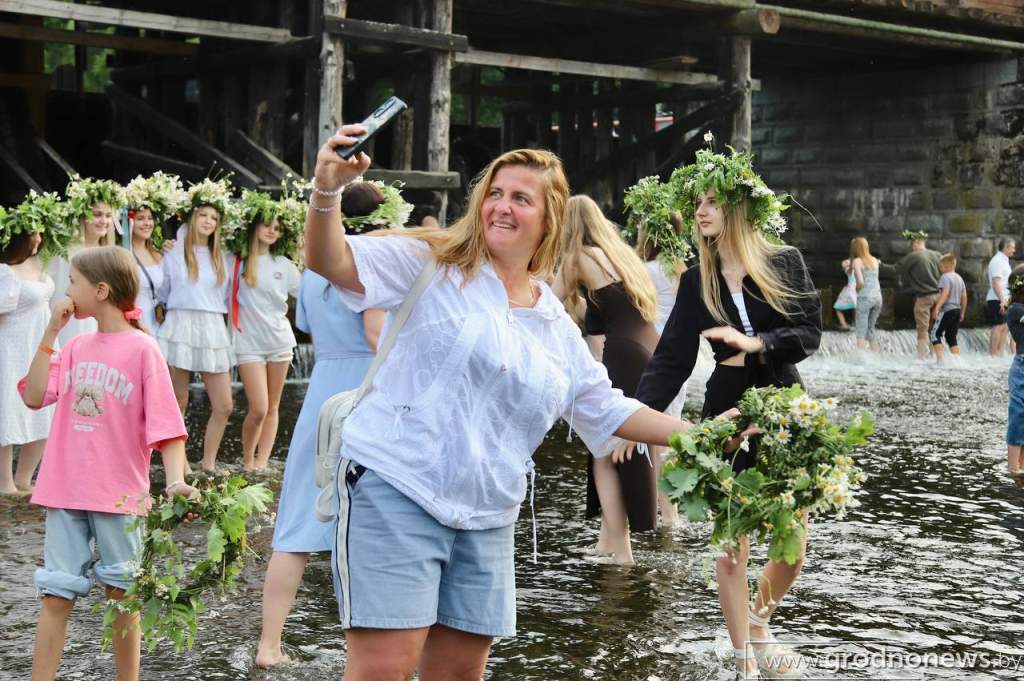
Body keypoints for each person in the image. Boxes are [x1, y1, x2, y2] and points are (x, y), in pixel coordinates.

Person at [304, 125, 751, 680]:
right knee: (384, 669)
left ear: (549, 219)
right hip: (397, 485)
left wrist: (701, 436)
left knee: (461, 674)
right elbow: (329, 260)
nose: (502, 206)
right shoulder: (431, 262)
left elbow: (607, 408)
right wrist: (326, 189)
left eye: (521, 198)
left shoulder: (552, 321)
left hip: (488, 513)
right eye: (494, 193)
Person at [632, 139, 821, 678]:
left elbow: (810, 333)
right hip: (728, 411)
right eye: (698, 202)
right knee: (731, 546)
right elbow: (671, 359)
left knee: (792, 545)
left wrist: (757, 343)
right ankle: (744, 663)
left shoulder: (784, 262)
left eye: (713, 200)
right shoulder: (697, 278)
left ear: (739, 207)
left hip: (783, 406)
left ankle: (760, 621)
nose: (701, 210)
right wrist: (629, 418)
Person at [19, 246, 194, 681]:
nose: (66, 291)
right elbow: (34, 395)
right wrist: (50, 332)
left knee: (123, 596)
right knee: (56, 596)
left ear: (100, 290)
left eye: (72, 283)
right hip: (65, 490)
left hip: (119, 496)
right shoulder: (75, 346)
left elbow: (168, 428)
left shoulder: (144, 350)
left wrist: (175, 482)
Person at [255, 180, 401, 667]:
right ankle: (367, 649)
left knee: (297, 519)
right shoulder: (367, 267)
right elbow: (376, 333)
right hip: (363, 389)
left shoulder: (313, 270)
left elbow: (307, 325)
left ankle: (269, 644)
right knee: (367, 520)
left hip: (322, 389)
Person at [554, 195, 661, 565]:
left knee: (604, 450)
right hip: (650, 348)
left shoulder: (577, 256)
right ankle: (607, 540)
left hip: (624, 353)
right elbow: (609, 307)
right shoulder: (622, 255)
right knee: (621, 446)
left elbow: (548, 303)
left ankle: (621, 551)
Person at [156, 179, 235, 473]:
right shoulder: (173, 252)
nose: (208, 221)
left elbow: (228, 295)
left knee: (224, 405)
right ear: (191, 217)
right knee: (179, 399)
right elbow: (162, 292)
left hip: (212, 325)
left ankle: (208, 461)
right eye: (203, 215)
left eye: (214, 217)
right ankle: (181, 462)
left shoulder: (223, 256)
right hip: (181, 323)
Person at [228, 192, 302, 471]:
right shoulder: (236, 262)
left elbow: (308, 294)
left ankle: (261, 463)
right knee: (258, 407)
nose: (272, 230)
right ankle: (248, 460)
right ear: (254, 226)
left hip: (280, 341)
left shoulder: (284, 264)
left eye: (277, 227)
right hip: (248, 342)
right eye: (267, 225)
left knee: (272, 406)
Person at [638, 213, 689, 528]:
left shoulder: (645, 270)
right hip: (677, 354)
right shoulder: (681, 269)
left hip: (651, 351)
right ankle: (671, 509)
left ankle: (666, 513)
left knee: (654, 435)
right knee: (671, 428)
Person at [0, 227, 53, 496]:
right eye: (34, 234)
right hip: (11, 347)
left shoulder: (39, 263)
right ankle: (4, 483)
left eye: (41, 233)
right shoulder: (5, 272)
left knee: (44, 407)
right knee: (8, 411)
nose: (39, 239)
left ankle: (24, 478)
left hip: (40, 344)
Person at [47, 177, 124, 348]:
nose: (104, 221)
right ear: (83, 216)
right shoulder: (66, 253)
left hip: (101, 323)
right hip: (71, 321)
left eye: (108, 215)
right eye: (97, 215)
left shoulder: (110, 254)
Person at [894, 230, 941, 360]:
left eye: (911, 245)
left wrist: (876, 264)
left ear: (916, 243)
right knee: (936, 329)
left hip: (924, 298)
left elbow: (895, 269)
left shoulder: (914, 256)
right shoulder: (937, 255)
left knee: (922, 330)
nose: (911, 248)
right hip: (939, 297)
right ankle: (935, 356)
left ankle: (921, 359)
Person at [929, 253, 967, 365]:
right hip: (957, 310)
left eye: (940, 266)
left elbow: (945, 294)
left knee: (934, 335)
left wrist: (937, 308)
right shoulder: (959, 278)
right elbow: (964, 297)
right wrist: (962, 312)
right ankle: (958, 362)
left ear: (946, 266)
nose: (940, 268)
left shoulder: (945, 277)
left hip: (947, 310)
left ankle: (940, 362)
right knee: (951, 337)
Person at [1005, 265, 1024, 475]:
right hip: (1022, 369)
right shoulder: (1016, 310)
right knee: (1018, 417)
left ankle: (1022, 466)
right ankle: (1013, 468)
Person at [850, 237, 883, 352]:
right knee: (870, 329)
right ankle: (875, 355)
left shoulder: (857, 261)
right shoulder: (875, 260)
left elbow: (860, 281)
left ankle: (861, 359)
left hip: (865, 298)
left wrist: (856, 289)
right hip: (878, 298)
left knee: (861, 330)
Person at [987, 238, 1017, 357]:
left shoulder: (1004, 261)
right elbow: (996, 282)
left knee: (1005, 327)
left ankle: (1000, 355)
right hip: (997, 298)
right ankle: (993, 355)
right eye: (1012, 247)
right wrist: (1002, 300)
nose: (1014, 250)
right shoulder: (997, 261)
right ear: (1006, 247)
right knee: (998, 326)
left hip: (1005, 299)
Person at [833, 259, 856, 331]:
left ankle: (844, 324)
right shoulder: (849, 270)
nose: (845, 262)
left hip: (852, 291)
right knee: (856, 308)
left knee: (838, 307)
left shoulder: (853, 269)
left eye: (846, 261)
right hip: (855, 291)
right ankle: (847, 324)